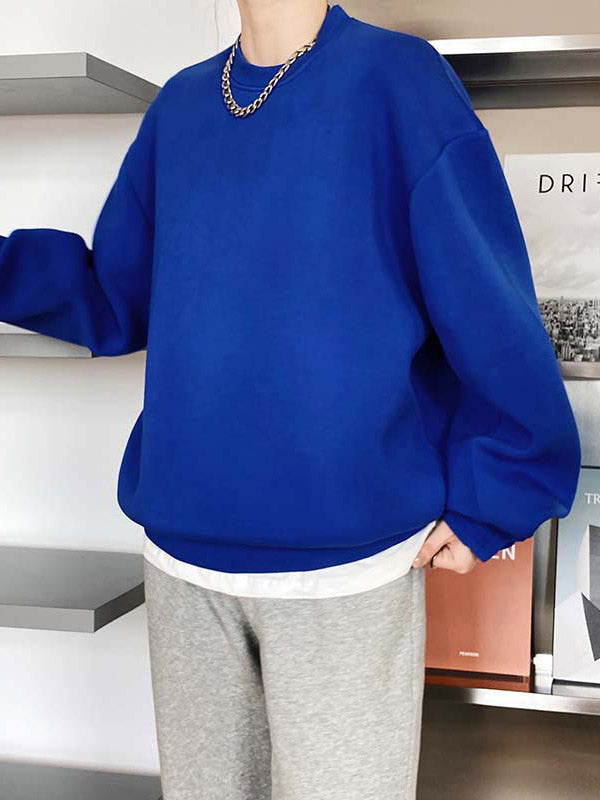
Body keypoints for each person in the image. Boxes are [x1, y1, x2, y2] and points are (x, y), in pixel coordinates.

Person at [0, 1, 581, 798]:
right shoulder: (180, 107)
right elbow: (116, 294)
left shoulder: (399, 81)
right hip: (183, 563)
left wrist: (500, 492)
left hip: (344, 573)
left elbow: (487, 303)